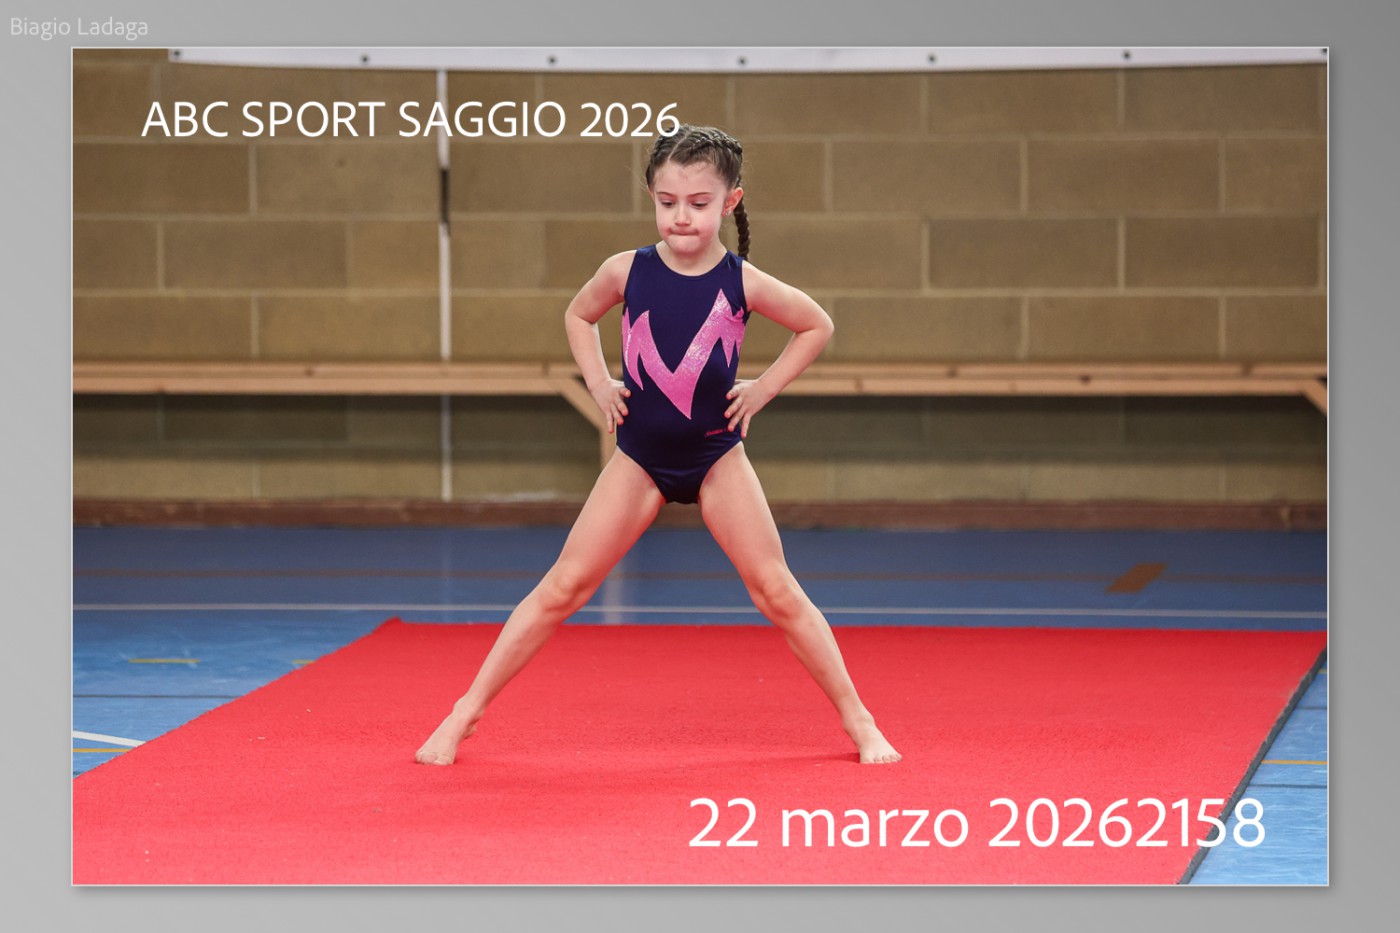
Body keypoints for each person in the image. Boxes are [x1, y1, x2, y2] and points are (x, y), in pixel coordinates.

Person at [415, 125, 900, 765]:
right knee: (563, 586)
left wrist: (762, 389)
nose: (681, 217)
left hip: (716, 458)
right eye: (667, 202)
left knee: (776, 591)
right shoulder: (628, 270)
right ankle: (464, 713)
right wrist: (598, 382)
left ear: (730, 202)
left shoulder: (743, 281)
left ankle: (860, 720)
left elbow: (816, 325)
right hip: (639, 459)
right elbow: (578, 315)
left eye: (699, 203)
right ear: (651, 196)